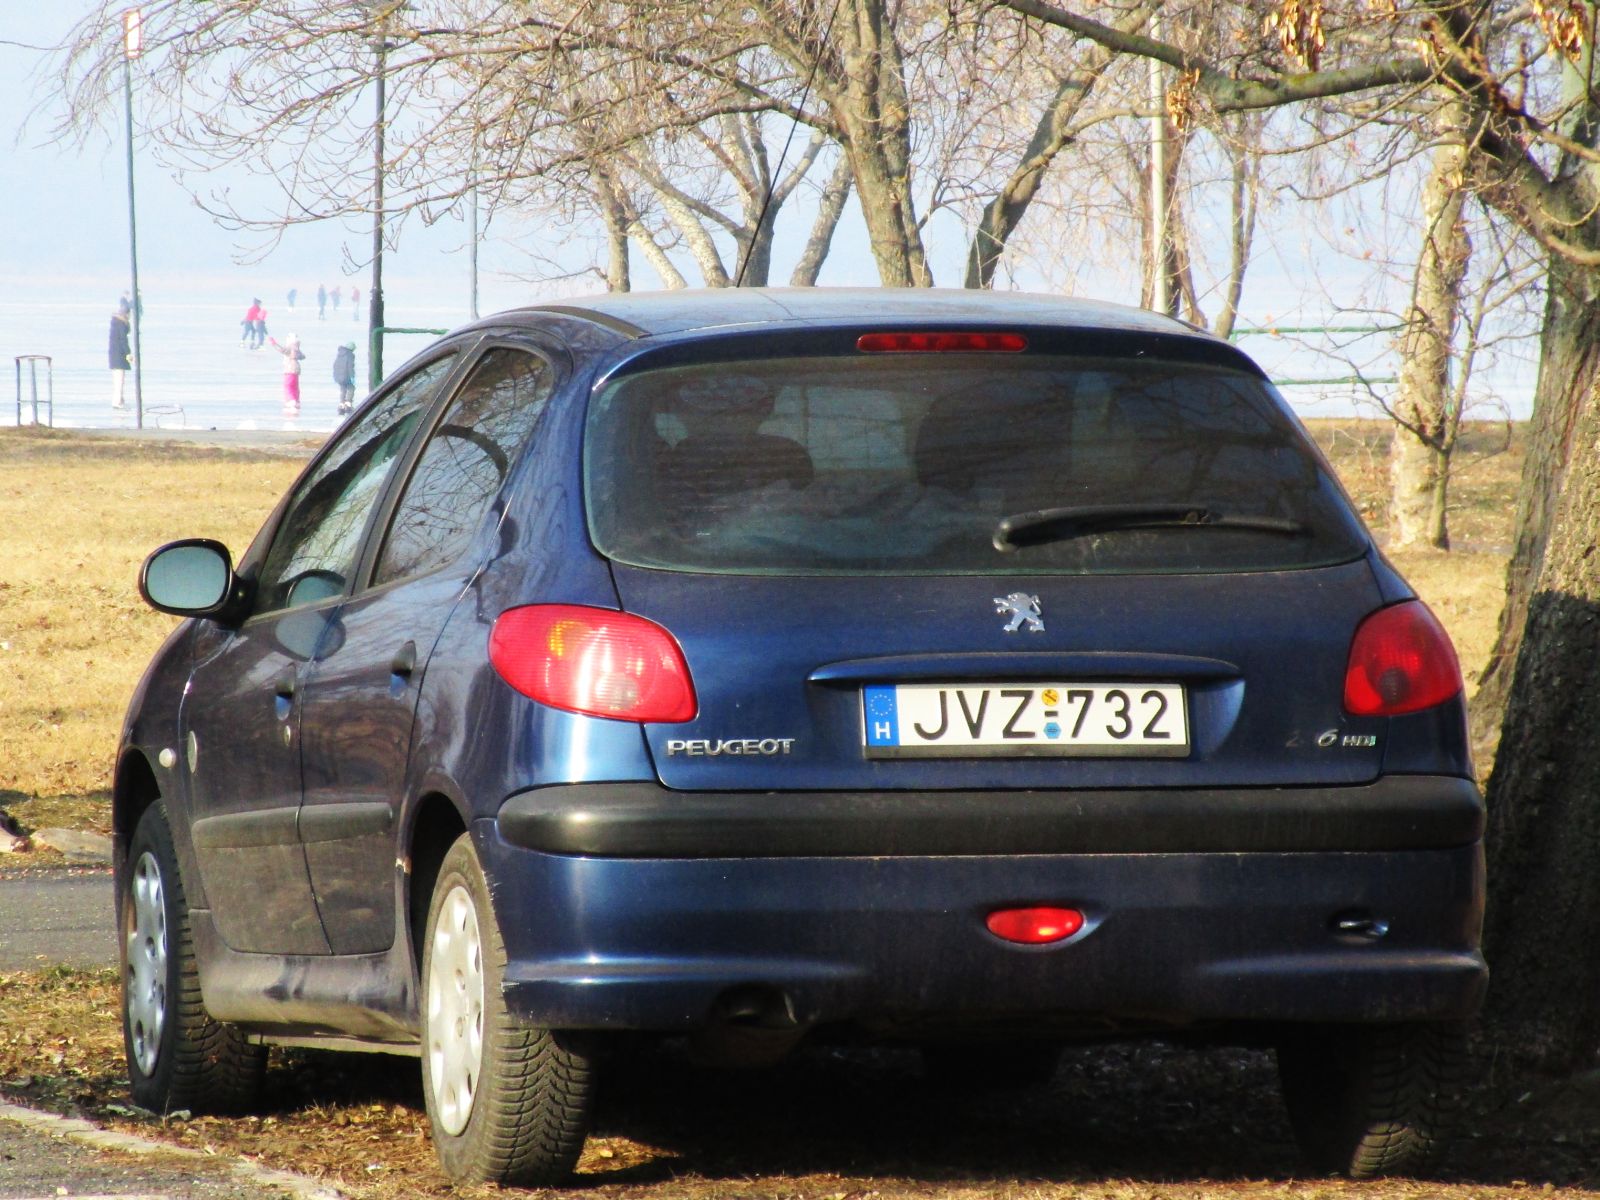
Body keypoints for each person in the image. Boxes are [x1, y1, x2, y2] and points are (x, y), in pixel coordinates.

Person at [268, 331, 306, 417]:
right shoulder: (297, 348)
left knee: (288, 386)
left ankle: (291, 401)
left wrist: (274, 343)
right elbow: (303, 356)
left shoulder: (290, 348)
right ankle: (296, 401)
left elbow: (281, 350)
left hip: (289, 369)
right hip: (296, 369)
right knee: (295, 386)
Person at [108, 298, 132, 410]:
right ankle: (118, 402)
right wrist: (128, 354)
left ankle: (119, 400)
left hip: (114, 356)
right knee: (119, 381)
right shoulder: (121, 324)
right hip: (119, 357)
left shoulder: (115, 323)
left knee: (118, 380)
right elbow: (123, 340)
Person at [333, 341, 357, 416]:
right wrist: (352, 376)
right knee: (351, 388)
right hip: (346, 376)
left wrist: (336, 376)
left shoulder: (339, 354)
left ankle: (341, 404)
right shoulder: (350, 355)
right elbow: (350, 367)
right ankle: (348, 404)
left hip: (339, 376)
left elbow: (335, 365)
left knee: (343, 389)